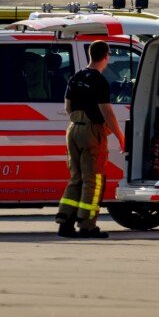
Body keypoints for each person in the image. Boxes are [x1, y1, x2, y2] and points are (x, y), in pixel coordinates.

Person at [56, 41, 123, 238]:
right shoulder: (99, 81)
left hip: (73, 129)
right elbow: (107, 112)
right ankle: (87, 225)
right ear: (106, 56)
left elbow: (68, 107)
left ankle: (65, 222)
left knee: (76, 178)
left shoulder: (75, 77)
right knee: (93, 180)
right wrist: (120, 136)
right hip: (91, 131)